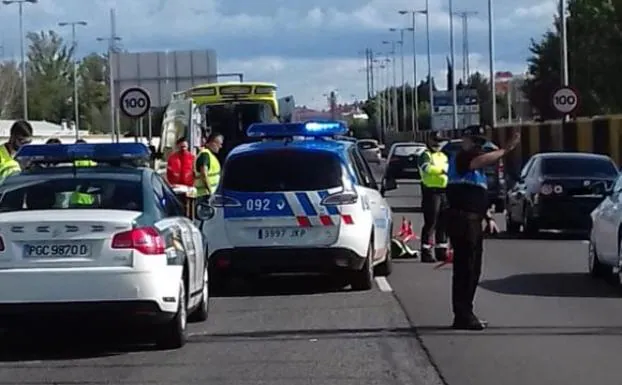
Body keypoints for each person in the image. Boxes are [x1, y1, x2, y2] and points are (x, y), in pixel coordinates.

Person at [446, 125, 520, 330]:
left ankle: (466, 312)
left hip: (474, 220)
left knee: (473, 269)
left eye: (480, 142)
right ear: (466, 141)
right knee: (465, 268)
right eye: (474, 141)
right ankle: (462, 314)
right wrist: (505, 150)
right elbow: (479, 160)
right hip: (463, 220)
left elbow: (479, 196)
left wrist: (489, 217)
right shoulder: (463, 158)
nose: (477, 146)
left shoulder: (478, 174)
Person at [418, 132, 449, 263]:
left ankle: (441, 251)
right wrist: (441, 170)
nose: (437, 144)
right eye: (435, 141)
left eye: (439, 141)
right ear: (429, 141)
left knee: (443, 223)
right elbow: (427, 168)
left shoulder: (443, 156)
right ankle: (426, 252)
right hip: (431, 192)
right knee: (431, 222)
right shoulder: (425, 155)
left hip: (444, 191)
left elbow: (449, 167)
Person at [194, 132, 223, 201]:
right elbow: (204, 174)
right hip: (204, 195)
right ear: (213, 143)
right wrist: (210, 191)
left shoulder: (209, 155)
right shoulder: (205, 154)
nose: (220, 147)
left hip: (206, 194)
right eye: (219, 144)